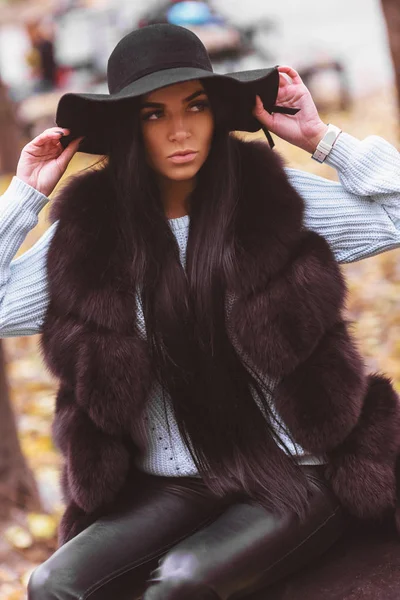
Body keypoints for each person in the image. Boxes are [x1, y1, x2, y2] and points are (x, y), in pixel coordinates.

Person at [1, 23, 400, 600]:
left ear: (217, 113)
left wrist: (322, 139)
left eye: (195, 106)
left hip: (300, 466)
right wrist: (24, 197)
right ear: (126, 129)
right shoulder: (93, 239)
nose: (180, 130)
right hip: (177, 482)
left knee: (181, 583)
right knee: (53, 582)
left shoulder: (271, 203)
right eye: (153, 114)